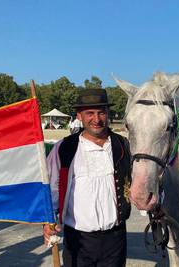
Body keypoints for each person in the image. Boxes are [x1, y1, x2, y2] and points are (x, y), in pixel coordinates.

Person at [43, 88, 132, 267]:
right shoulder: (64, 148)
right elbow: (51, 188)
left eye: (101, 113)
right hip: (78, 239)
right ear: (79, 116)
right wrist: (48, 221)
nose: (96, 119)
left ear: (107, 114)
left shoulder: (122, 145)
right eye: (90, 113)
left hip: (115, 239)